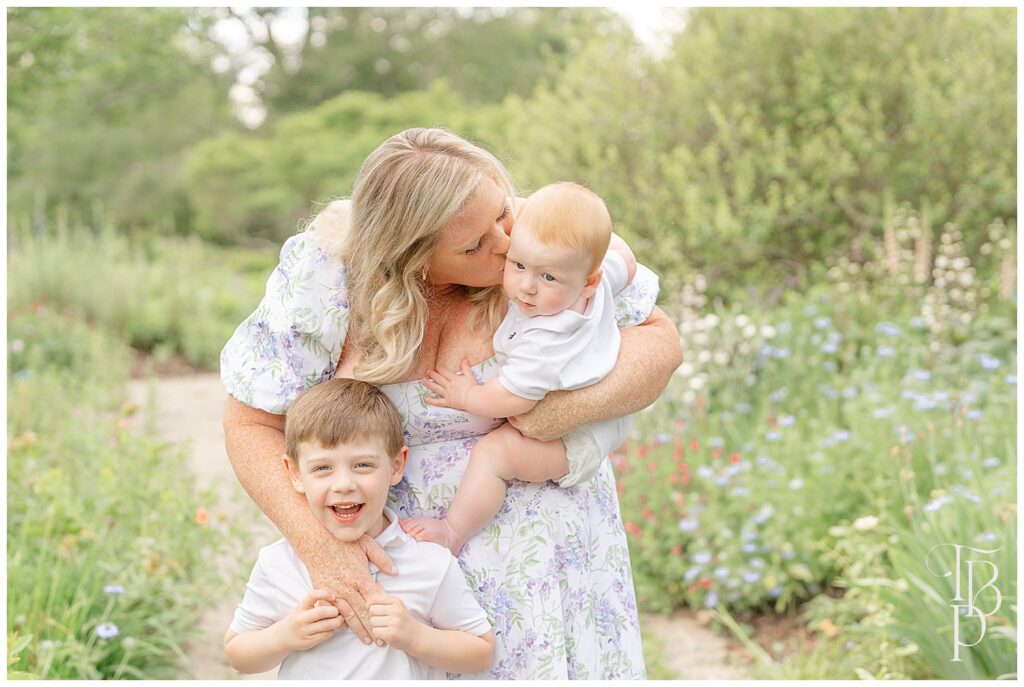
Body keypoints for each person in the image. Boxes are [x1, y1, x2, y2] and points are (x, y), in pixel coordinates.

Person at [221, 127, 682, 678]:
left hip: (551, 557)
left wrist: (541, 414)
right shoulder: (324, 282)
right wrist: (323, 548)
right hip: (415, 579)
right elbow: (250, 422)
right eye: (474, 246)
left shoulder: (540, 241)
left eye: (500, 217)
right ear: (411, 257)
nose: (505, 243)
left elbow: (660, 344)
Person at [399, 182, 636, 555]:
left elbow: (513, 398)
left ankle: (453, 532)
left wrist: (467, 395)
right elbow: (626, 260)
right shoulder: (595, 279)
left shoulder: (547, 337)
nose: (526, 287)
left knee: (494, 455)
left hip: (578, 440)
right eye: (519, 264)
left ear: (588, 282)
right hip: (601, 418)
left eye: (547, 277)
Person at [224, 378, 495, 678]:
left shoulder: (430, 562)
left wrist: (416, 637)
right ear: (295, 473)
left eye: (363, 465)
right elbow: (238, 653)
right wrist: (284, 636)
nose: (343, 485)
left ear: (396, 465)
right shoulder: (279, 563)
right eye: (322, 468)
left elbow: (481, 651)